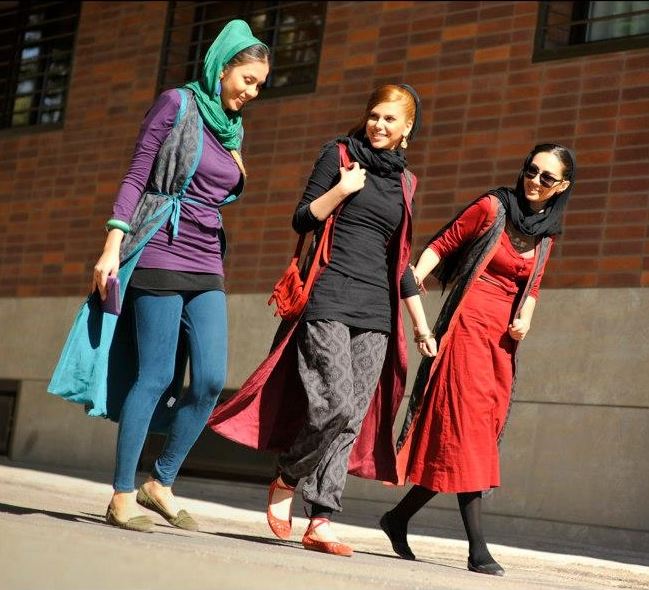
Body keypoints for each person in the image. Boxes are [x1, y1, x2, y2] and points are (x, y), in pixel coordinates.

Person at [48, 20, 270, 532]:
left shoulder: (231, 128)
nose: (252, 92)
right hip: (160, 252)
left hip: (207, 260)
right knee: (156, 375)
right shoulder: (177, 104)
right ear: (224, 66)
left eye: (260, 85)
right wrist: (112, 243)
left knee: (212, 379)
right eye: (248, 80)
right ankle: (122, 493)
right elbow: (138, 173)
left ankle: (160, 482)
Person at [208, 84, 436, 556]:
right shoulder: (339, 156)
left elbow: (402, 262)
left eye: (390, 120)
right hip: (329, 294)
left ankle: (322, 518)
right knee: (330, 403)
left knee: (351, 417)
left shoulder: (406, 182)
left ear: (407, 128)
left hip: (377, 309)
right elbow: (301, 219)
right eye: (374, 115)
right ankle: (287, 479)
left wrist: (420, 326)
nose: (378, 125)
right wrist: (340, 189)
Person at [379, 144, 576, 575]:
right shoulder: (493, 207)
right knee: (469, 434)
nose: (535, 181)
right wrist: (412, 288)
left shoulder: (546, 233)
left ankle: (397, 518)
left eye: (547, 178)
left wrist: (527, 313)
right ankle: (477, 548)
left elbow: (535, 285)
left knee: (475, 438)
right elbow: (442, 244)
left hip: (502, 344)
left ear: (561, 187)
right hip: (467, 326)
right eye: (531, 170)